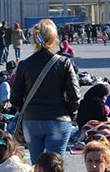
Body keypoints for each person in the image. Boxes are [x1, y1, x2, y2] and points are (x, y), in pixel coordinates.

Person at [10, 18, 80, 162]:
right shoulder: (64, 63)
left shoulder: (24, 65)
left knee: (37, 166)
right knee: (55, 166)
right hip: (58, 119)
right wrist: (69, 113)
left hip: (32, 120)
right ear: (54, 38)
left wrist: (26, 110)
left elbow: (15, 97)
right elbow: (75, 96)